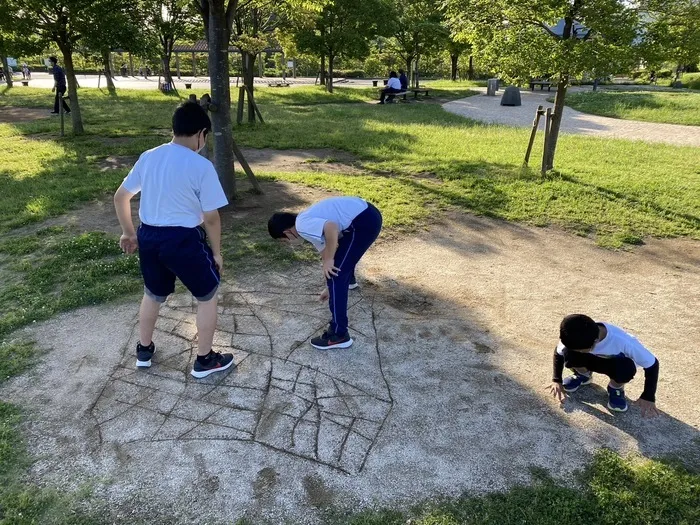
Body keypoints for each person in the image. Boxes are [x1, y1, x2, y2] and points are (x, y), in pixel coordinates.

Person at [113, 102, 234, 379]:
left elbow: (121, 197)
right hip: (183, 239)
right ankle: (204, 359)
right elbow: (212, 217)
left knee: (153, 293)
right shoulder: (201, 166)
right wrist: (217, 252)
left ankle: (144, 350)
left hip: (149, 236)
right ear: (202, 133)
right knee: (208, 294)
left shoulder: (149, 157)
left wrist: (129, 233)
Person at [267, 197, 383, 350]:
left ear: (286, 232)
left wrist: (330, 265)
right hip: (366, 215)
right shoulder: (307, 225)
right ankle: (348, 281)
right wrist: (329, 286)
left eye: (284, 241)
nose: (288, 243)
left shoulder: (302, 225)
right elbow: (326, 254)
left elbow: (331, 227)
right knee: (337, 272)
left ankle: (339, 334)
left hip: (363, 221)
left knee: (338, 274)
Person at [547, 314, 660, 416]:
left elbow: (652, 364)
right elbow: (559, 352)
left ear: (595, 341)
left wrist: (648, 396)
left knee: (626, 368)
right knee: (569, 353)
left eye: (581, 350)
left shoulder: (623, 341)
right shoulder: (573, 332)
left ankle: (615, 387)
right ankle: (583, 375)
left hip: (616, 364)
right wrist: (556, 380)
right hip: (590, 359)